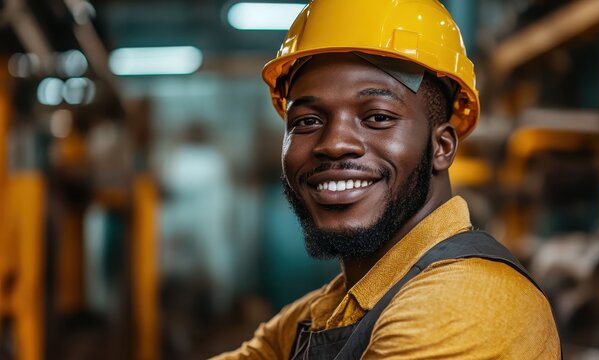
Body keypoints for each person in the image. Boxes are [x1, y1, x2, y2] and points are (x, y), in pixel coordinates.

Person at [212, 0, 561, 358]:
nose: (334, 144)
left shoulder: (465, 303)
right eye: (307, 121)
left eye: (377, 117)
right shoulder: (325, 311)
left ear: (441, 146)